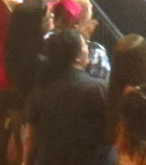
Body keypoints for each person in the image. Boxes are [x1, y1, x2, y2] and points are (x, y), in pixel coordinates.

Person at [23, 27, 114, 165]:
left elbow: (30, 134)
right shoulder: (97, 89)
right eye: (85, 46)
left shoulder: (41, 88)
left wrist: (26, 162)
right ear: (77, 57)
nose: (89, 49)